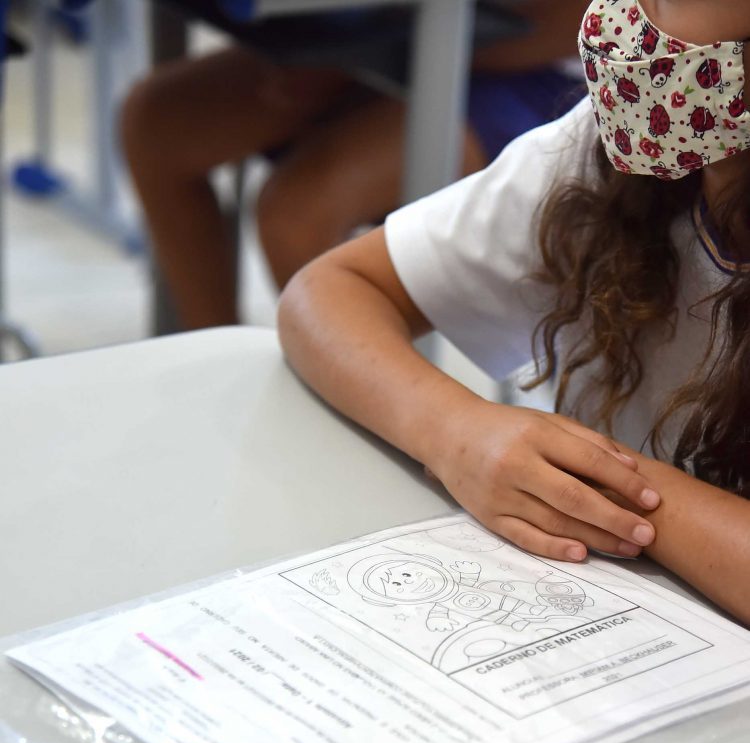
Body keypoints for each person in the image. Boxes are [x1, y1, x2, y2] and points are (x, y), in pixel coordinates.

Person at [277, 0, 750, 626]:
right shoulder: (607, 155)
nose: (620, 17)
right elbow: (329, 290)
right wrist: (454, 431)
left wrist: (593, 491)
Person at [120, 0, 588, 329]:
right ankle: (213, 356)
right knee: (155, 124)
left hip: (539, 67)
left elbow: (567, 21)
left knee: (296, 213)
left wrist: (339, 60)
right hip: (383, 28)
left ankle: (358, 415)